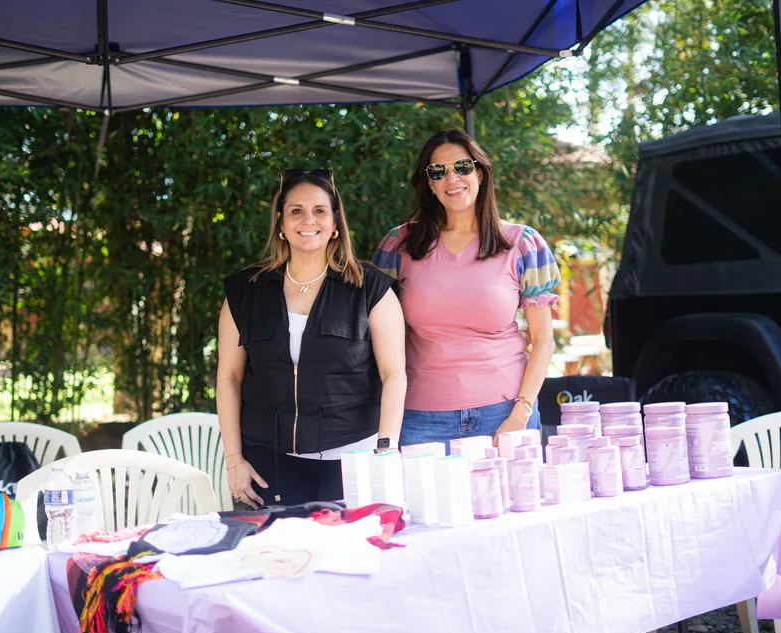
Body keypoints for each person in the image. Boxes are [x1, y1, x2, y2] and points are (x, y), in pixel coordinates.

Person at [218, 168, 406, 507]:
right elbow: (229, 378)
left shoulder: (371, 290)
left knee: (348, 559)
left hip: (353, 462)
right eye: (296, 211)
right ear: (280, 224)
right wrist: (234, 460)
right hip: (268, 463)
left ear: (335, 224)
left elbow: (394, 375)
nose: (309, 219)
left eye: (320, 210)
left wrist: (386, 450)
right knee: (277, 557)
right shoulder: (245, 292)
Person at [372, 130, 559, 449]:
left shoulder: (524, 245)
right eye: (438, 171)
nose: (451, 177)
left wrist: (521, 413)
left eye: (462, 166)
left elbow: (543, 342)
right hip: (420, 420)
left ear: (481, 173)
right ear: (429, 184)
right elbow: (377, 338)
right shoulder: (397, 246)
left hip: (505, 414)